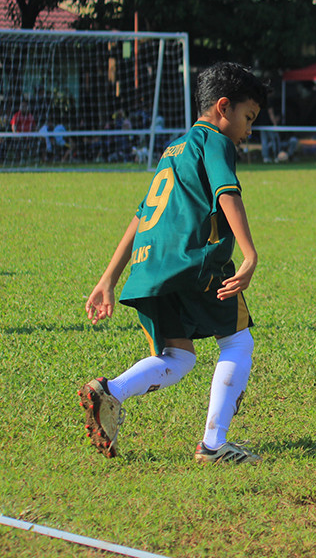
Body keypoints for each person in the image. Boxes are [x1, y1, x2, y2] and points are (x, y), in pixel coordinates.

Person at [78, 62, 267, 464]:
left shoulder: (173, 150)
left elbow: (141, 215)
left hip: (149, 269)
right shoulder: (215, 142)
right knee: (237, 341)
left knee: (178, 357)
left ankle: (109, 391)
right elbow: (227, 194)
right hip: (194, 262)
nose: (249, 129)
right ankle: (214, 445)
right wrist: (250, 253)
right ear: (223, 108)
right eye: (248, 118)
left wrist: (109, 277)